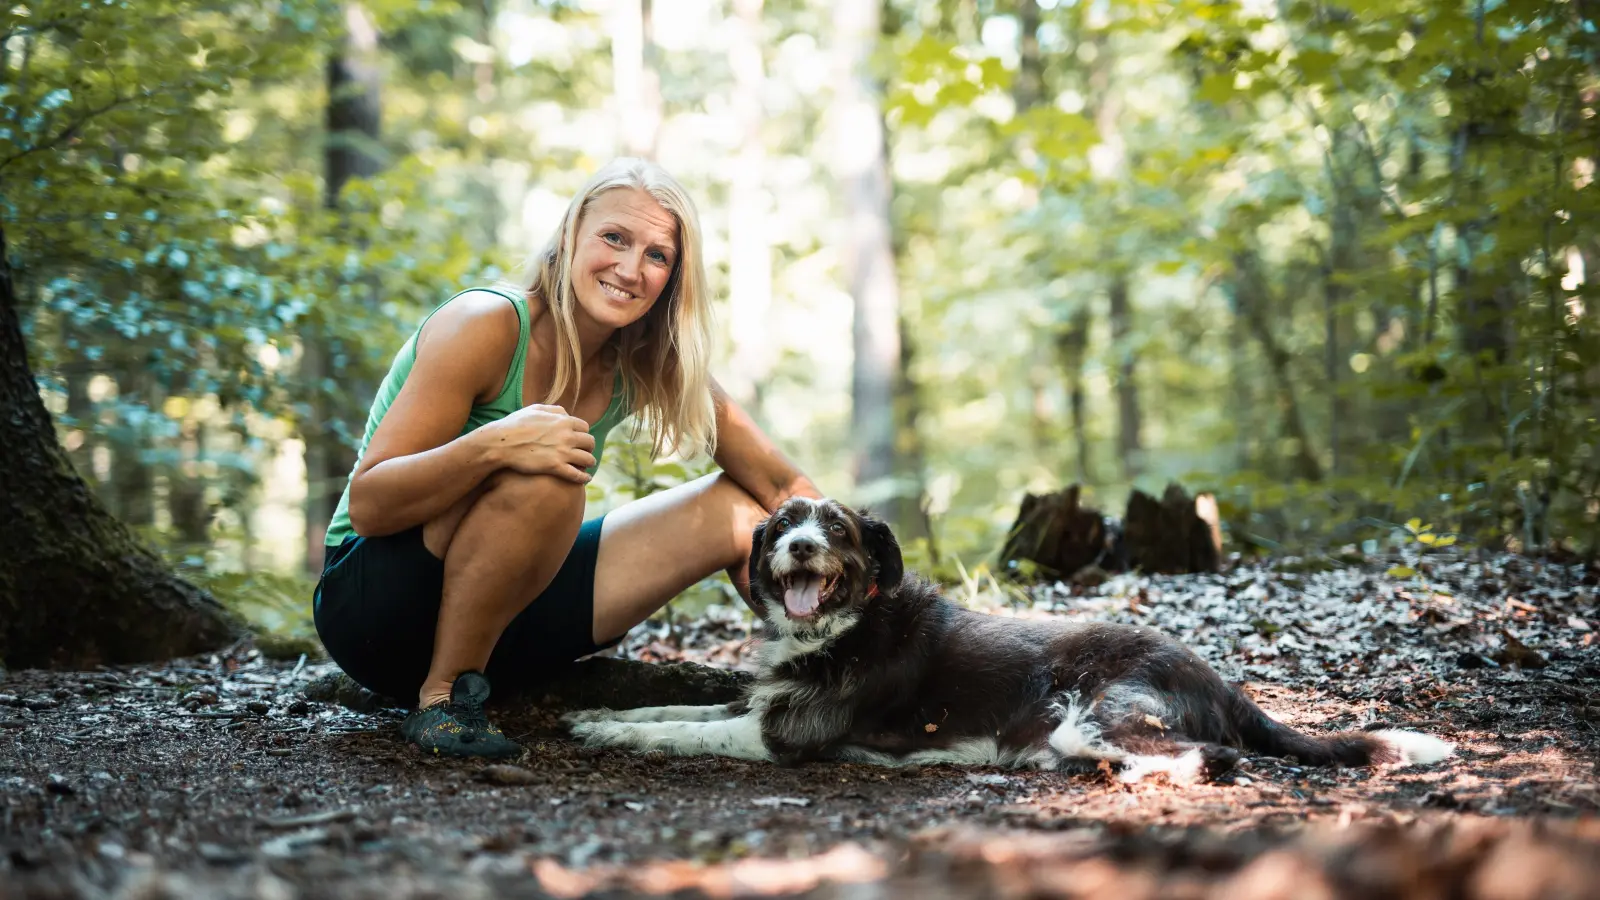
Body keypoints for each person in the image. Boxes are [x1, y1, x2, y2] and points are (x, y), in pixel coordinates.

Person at [312, 158, 820, 758]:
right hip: (374, 608)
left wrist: (885, 608)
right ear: (570, 236)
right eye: (614, 238)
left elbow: (778, 482)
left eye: (657, 256)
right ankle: (445, 701)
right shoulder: (486, 324)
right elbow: (370, 507)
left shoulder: (646, 361)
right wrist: (499, 443)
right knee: (551, 470)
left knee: (742, 513)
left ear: (674, 278)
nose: (631, 270)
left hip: (504, 621)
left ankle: (838, 687)